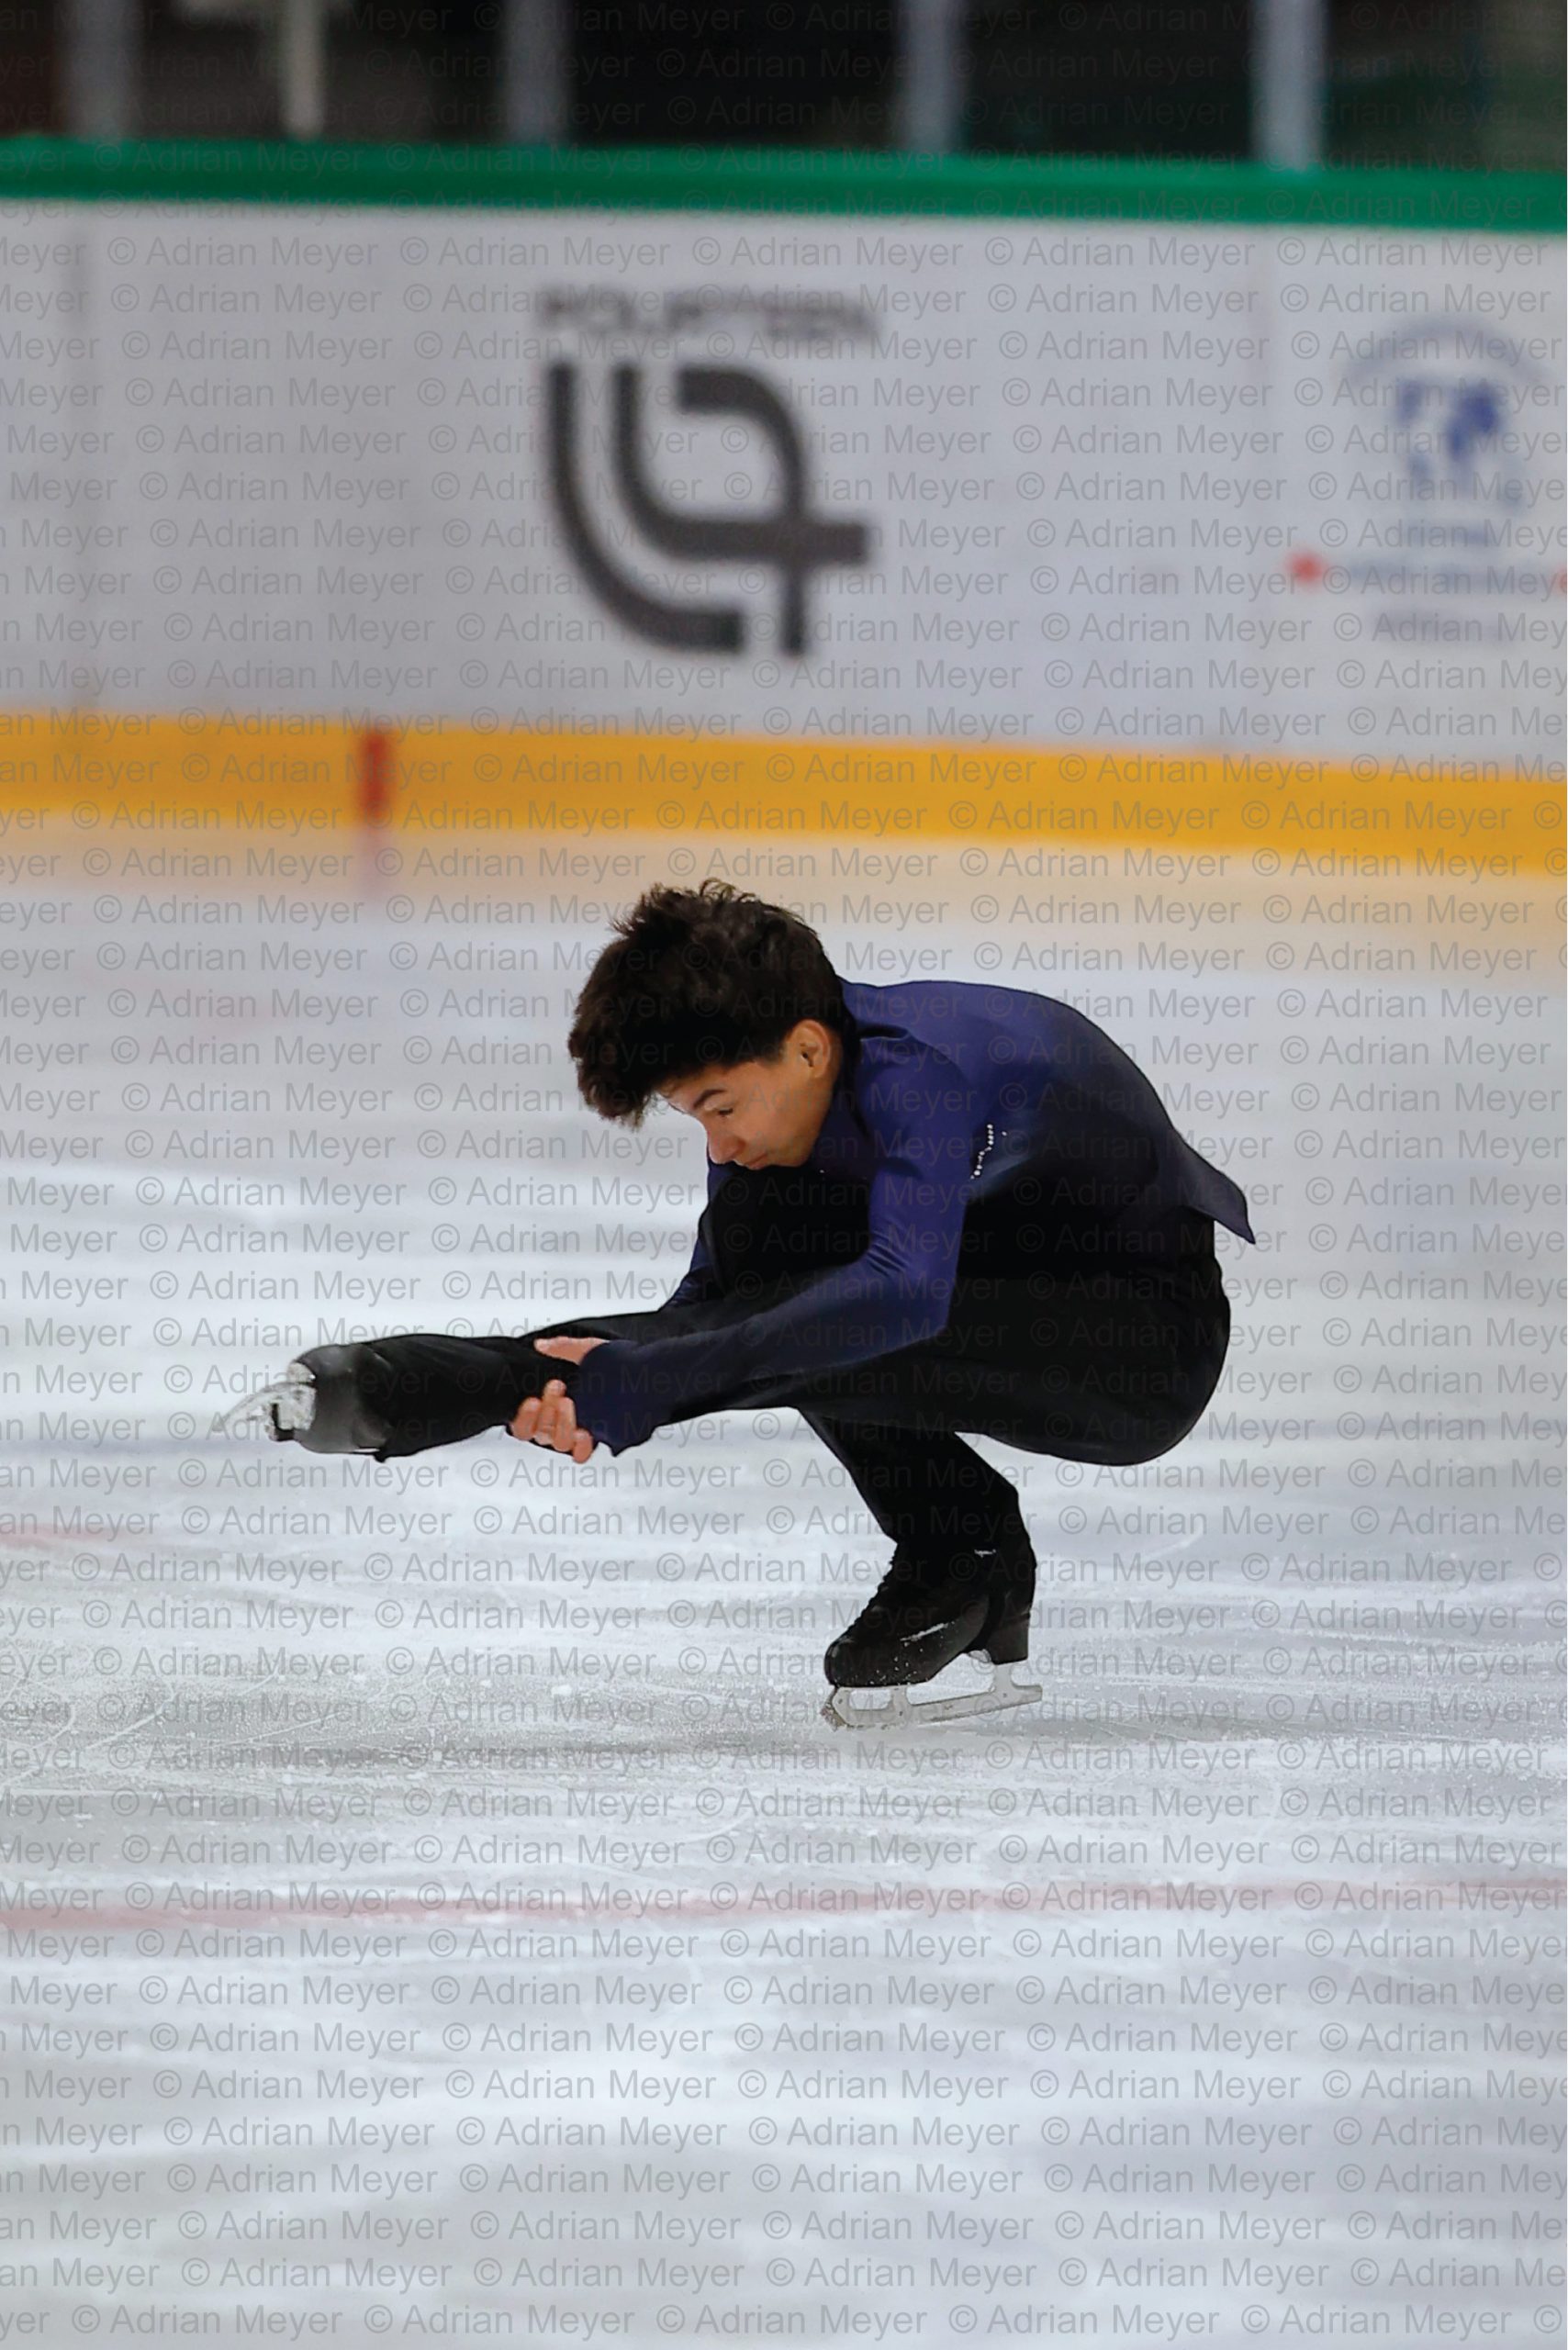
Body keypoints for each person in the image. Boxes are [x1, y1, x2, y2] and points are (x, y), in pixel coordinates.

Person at [227, 879, 1255, 1723]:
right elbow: (709, 1319)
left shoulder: (918, 1079)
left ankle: (964, 1554)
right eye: (694, 1119)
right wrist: (569, 1383)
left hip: (1139, 1344)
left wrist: (661, 1377)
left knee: (836, 1304)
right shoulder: (788, 1119)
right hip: (993, 1277)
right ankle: (963, 1552)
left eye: (719, 1107)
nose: (717, 1145)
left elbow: (899, 1295)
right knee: (777, 1277)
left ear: (807, 1048)